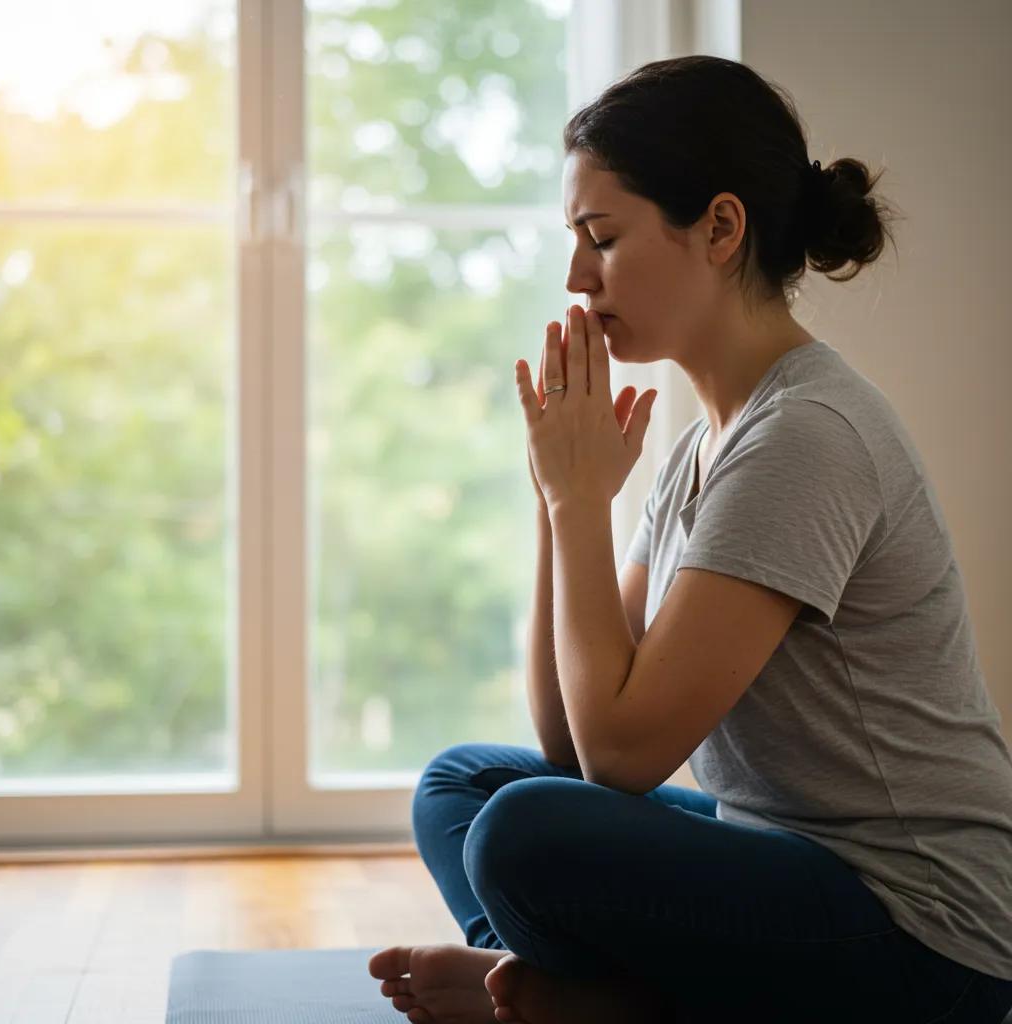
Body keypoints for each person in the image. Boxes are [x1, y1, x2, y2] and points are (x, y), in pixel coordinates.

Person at [368, 54, 1012, 1024]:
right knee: (465, 784)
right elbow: (571, 739)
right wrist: (559, 500)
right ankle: (553, 991)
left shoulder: (804, 437)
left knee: (521, 834)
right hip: (783, 855)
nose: (576, 277)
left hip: (923, 932)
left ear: (718, 227)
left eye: (601, 236)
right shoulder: (702, 448)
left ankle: (597, 1000)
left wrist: (583, 504)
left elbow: (623, 752)